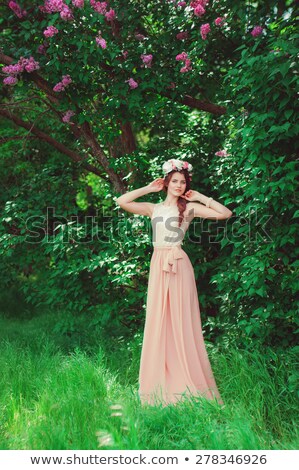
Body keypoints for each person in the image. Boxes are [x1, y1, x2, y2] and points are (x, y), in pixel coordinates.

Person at [116, 159, 232, 407]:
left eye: (183, 182)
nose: (179, 185)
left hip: (178, 264)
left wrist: (201, 197)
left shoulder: (189, 208)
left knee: (181, 321)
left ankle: (187, 381)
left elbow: (225, 214)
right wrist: (149, 188)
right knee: (159, 320)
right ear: (167, 182)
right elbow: (122, 201)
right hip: (159, 264)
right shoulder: (153, 208)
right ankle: (160, 383)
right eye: (175, 181)